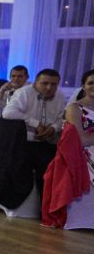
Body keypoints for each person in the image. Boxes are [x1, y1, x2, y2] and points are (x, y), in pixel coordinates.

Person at [42, 69, 94, 228]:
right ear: (83, 86)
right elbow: (81, 140)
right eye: (91, 83)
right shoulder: (74, 108)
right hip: (81, 153)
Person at [3, 68, 66, 196]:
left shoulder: (60, 96)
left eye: (53, 84)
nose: (49, 88)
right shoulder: (24, 93)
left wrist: (54, 127)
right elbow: (8, 113)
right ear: (35, 82)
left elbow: (62, 118)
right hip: (25, 142)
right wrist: (35, 124)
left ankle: (46, 203)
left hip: (49, 142)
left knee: (54, 171)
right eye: (45, 83)